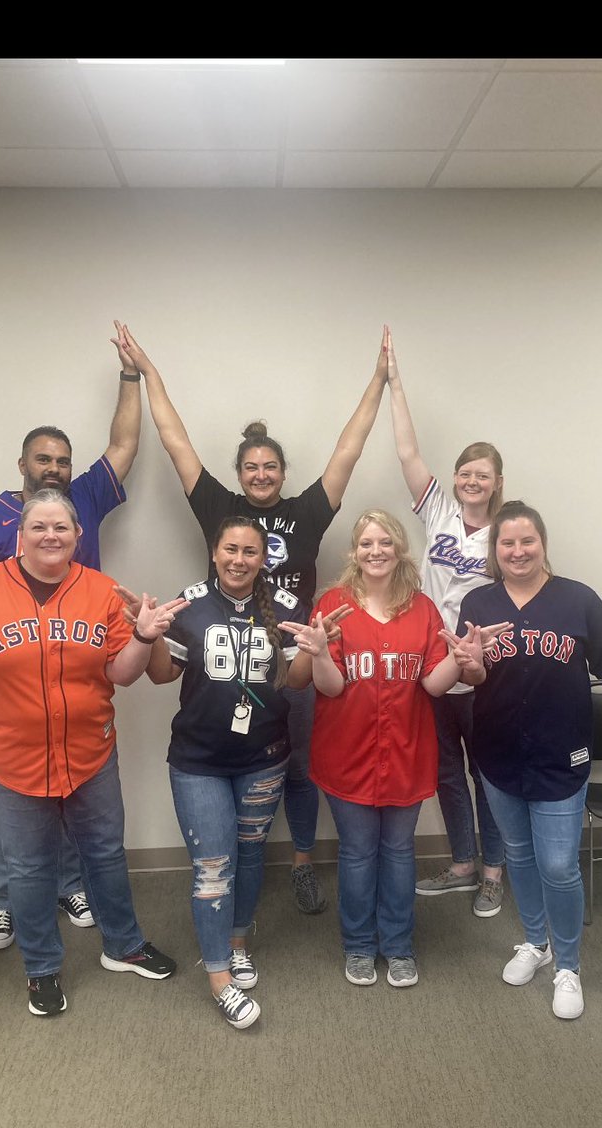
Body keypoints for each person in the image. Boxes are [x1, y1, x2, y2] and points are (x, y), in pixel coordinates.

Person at [111, 319, 389, 916]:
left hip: (295, 657)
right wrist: (148, 371)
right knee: (239, 762)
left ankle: (302, 862)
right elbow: (173, 437)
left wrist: (378, 382)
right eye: (251, 468)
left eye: (270, 468)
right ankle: (238, 869)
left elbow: (349, 448)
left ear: (282, 474)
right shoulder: (219, 509)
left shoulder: (308, 512)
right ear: (239, 475)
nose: (261, 475)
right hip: (227, 661)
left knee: (300, 768)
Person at [0, 490, 182, 1016]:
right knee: (28, 868)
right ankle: (41, 968)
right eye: (39, 526)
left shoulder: (102, 591)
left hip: (89, 754)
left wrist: (142, 633)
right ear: (20, 535)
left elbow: (121, 672)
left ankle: (124, 945)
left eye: (61, 528)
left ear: (77, 536)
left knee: (106, 854)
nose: (51, 536)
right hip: (8, 761)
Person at [0, 330, 144, 950]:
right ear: (21, 464)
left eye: (61, 461)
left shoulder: (82, 501)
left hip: (80, 675)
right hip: (8, 689)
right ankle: (6, 902)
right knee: (15, 813)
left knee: (77, 786)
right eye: (42, 459)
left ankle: (70, 885)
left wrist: (130, 376)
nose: (52, 469)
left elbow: (125, 444)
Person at [278, 510, 491, 989]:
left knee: (397, 852)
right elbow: (330, 689)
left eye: (385, 542)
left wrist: (462, 662)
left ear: (398, 550)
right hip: (346, 753)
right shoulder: (332, 606)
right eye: (366, 543)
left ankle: (396, 945)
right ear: (354, 552)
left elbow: (434, 685)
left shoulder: (423, 610)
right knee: (357, 852)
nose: (376, 551)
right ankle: (358, 945)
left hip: (406, 753)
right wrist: (316, 654)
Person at [144, 515, 311, 1029]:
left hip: (264, 759)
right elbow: (158, 675)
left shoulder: (284, 608)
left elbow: (297, 683)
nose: (239, 560)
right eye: (230, 550)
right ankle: (219, 977)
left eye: (250, 552)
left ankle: (238, 942)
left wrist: (312, 650)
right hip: (199, 761)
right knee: (214, 866)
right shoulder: (189, 603)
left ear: (265, 559)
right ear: (215, 553)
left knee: (251, 851)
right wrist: (148, 634)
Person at [448, 500, 602, 1020]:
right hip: (498, 751)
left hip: (561, 753)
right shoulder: (479, 601)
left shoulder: (578, 600)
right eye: (507, 543)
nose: (518, 551)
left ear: (543, 544)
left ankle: (568, 965)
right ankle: (535, 943)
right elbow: (473, 678)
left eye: (527, 541)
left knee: (559, 865)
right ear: (495, 551)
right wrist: (469, 666)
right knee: (518, 852)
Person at [387, 328, 506, 917]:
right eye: (466, 471)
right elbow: (408, 454)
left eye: (483, 474)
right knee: (446, 774)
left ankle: (492, 872)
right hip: (432, 665)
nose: (471, 480)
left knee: (485, 774)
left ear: (497, 484)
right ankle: (462, 863)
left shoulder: (505, 533)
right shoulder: (437, 510)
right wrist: (395, 384)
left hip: (480, 670)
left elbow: (519, 598)